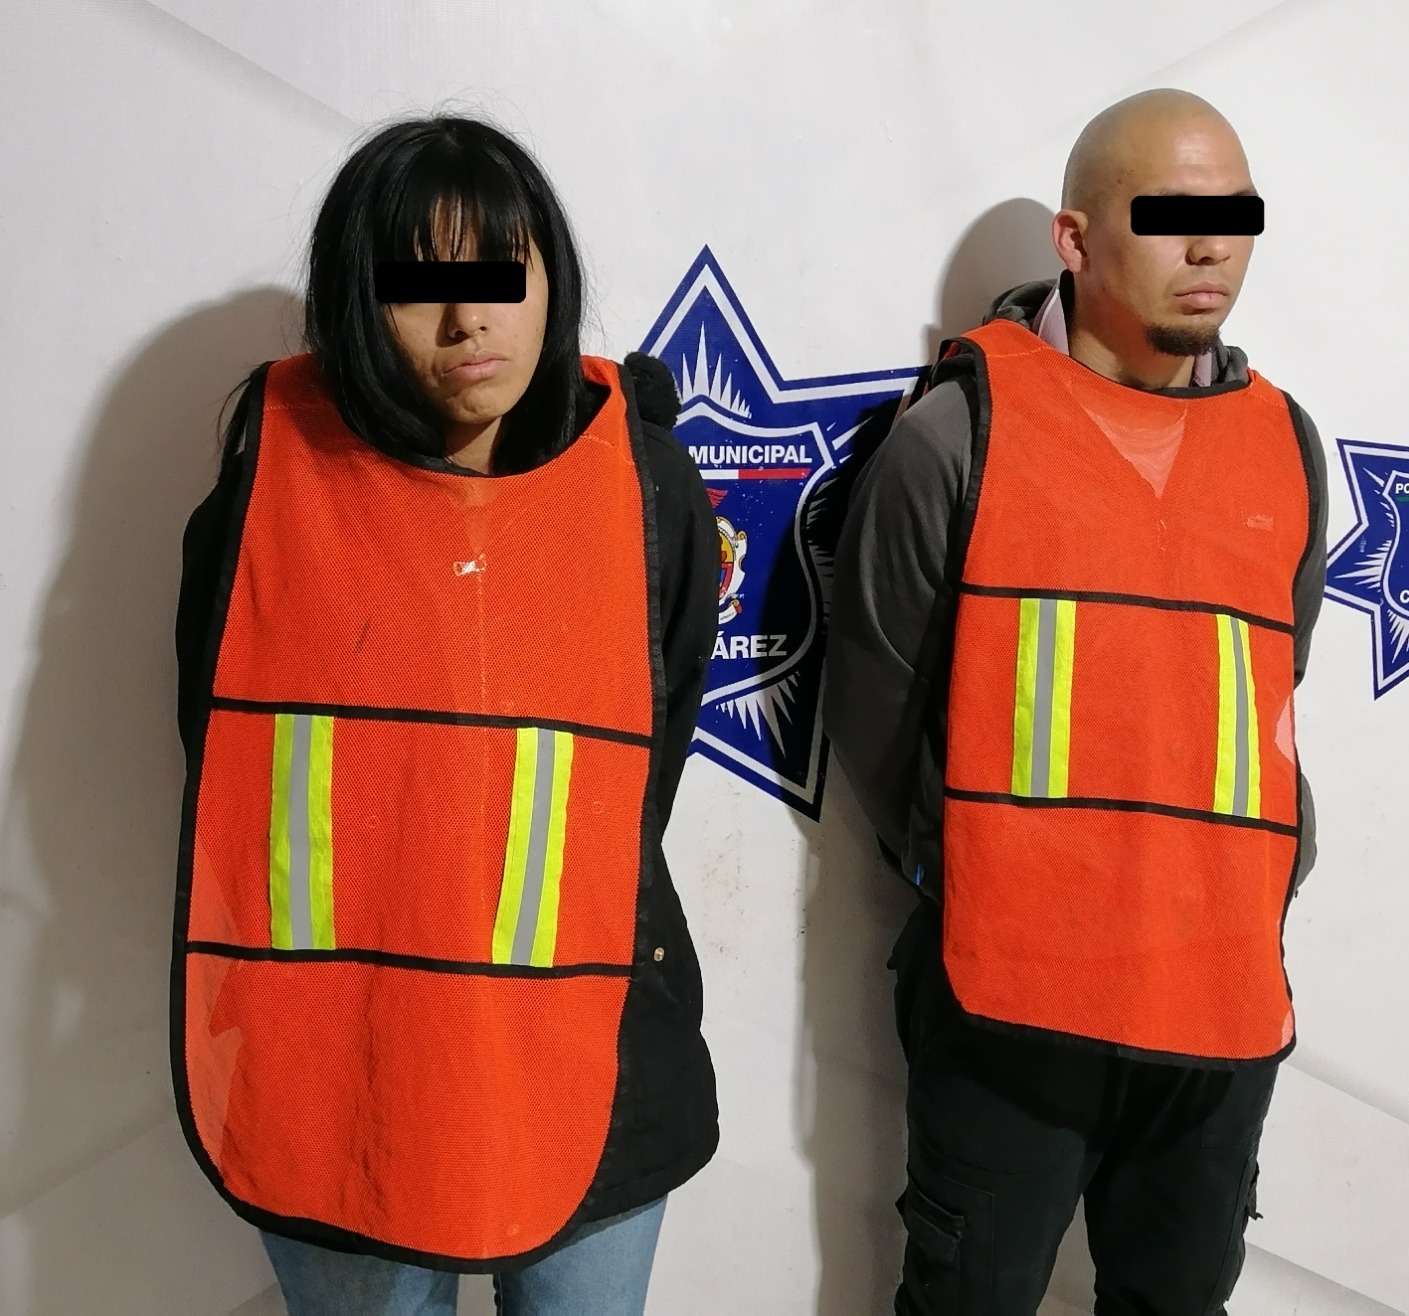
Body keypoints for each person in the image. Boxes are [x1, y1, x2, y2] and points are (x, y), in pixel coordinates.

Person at [171, 114, 720, 1316]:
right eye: (418, 285)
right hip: (337, 1071)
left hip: (598, 1047)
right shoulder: (267, 498)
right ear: (357, 308)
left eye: (499, 273)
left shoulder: (648, 489)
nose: (469, 320)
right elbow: (225, 759)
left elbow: (651, 758)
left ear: (549, 279)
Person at [825, 88, 1330, 1315]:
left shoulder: (1286, 443)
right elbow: (879, 716)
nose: (1209, 247)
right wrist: (991, 881)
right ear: (1074, 238)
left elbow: (1273, 690)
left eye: (1234, 217)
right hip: (1007, 1012)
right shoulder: (957, 433)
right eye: (1168, 216)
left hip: (1220, 1006)